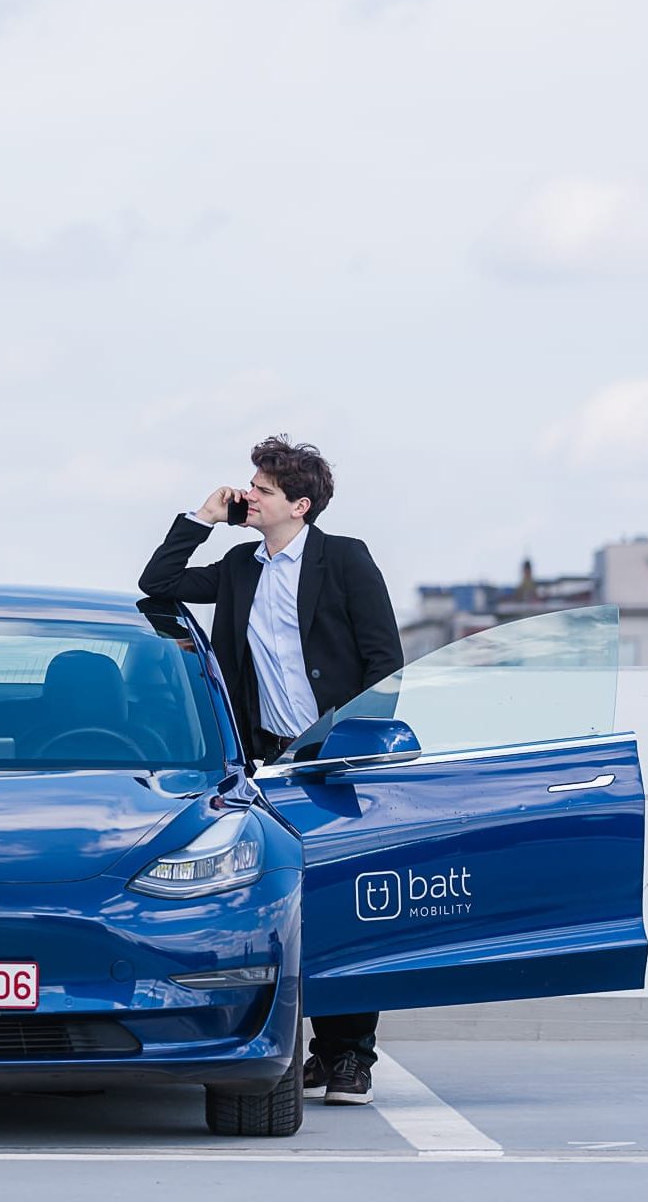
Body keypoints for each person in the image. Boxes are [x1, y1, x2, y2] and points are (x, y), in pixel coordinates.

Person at [137, 435, 402, 1106]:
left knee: (341, 905)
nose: (249, 494)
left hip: (335, 761)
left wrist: (356, 747)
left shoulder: (344, 560)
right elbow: (158, 585)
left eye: (263, 489)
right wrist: (202, 516)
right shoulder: (237, 568)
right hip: (263, 762)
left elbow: (384, 662)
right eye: (250, 485)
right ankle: (302, 1048)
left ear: (301, 505)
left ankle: (348, 1058)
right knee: (284, 906)